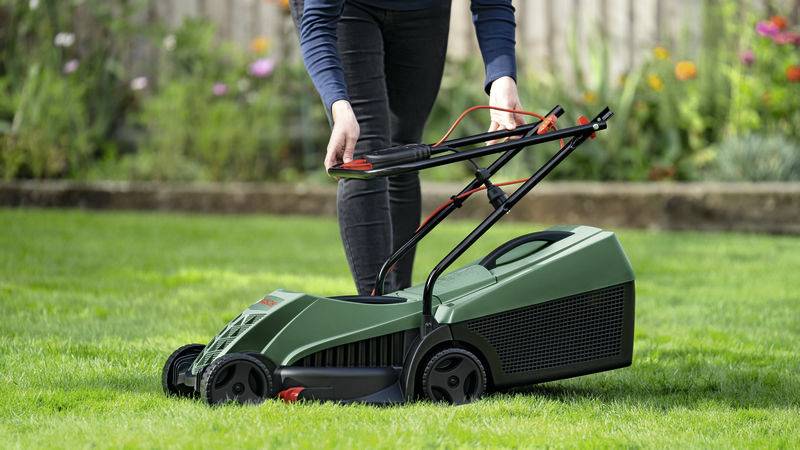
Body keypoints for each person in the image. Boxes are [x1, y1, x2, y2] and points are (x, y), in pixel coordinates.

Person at [290, 0, 524, 296]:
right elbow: (318, 21)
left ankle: (401, 301)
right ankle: (378, 313)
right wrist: (339, 104)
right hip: (346, 9)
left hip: (423, 11)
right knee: (366, 156)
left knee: (406, 152)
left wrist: (502, 78)